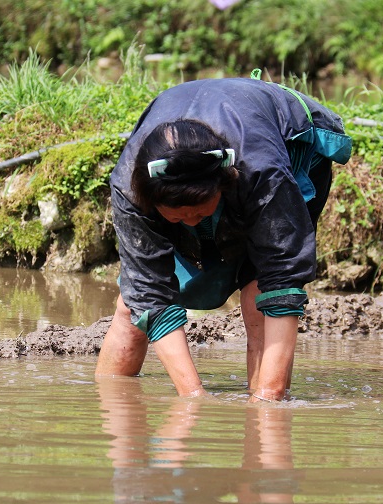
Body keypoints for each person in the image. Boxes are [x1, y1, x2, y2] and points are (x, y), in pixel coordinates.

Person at [95, 75, 352, 402]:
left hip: (282, 145)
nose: (189, 220)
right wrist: (194, 398)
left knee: (258, 295)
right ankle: (114, 405)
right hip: (209, 153)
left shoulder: (261, 171)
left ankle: (264, 407)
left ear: (225, 185)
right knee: (133, 306)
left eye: (199, 212)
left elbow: (283, 277)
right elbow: (149, 291)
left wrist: (269, 402)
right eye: (178, 215)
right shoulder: (130, 187)